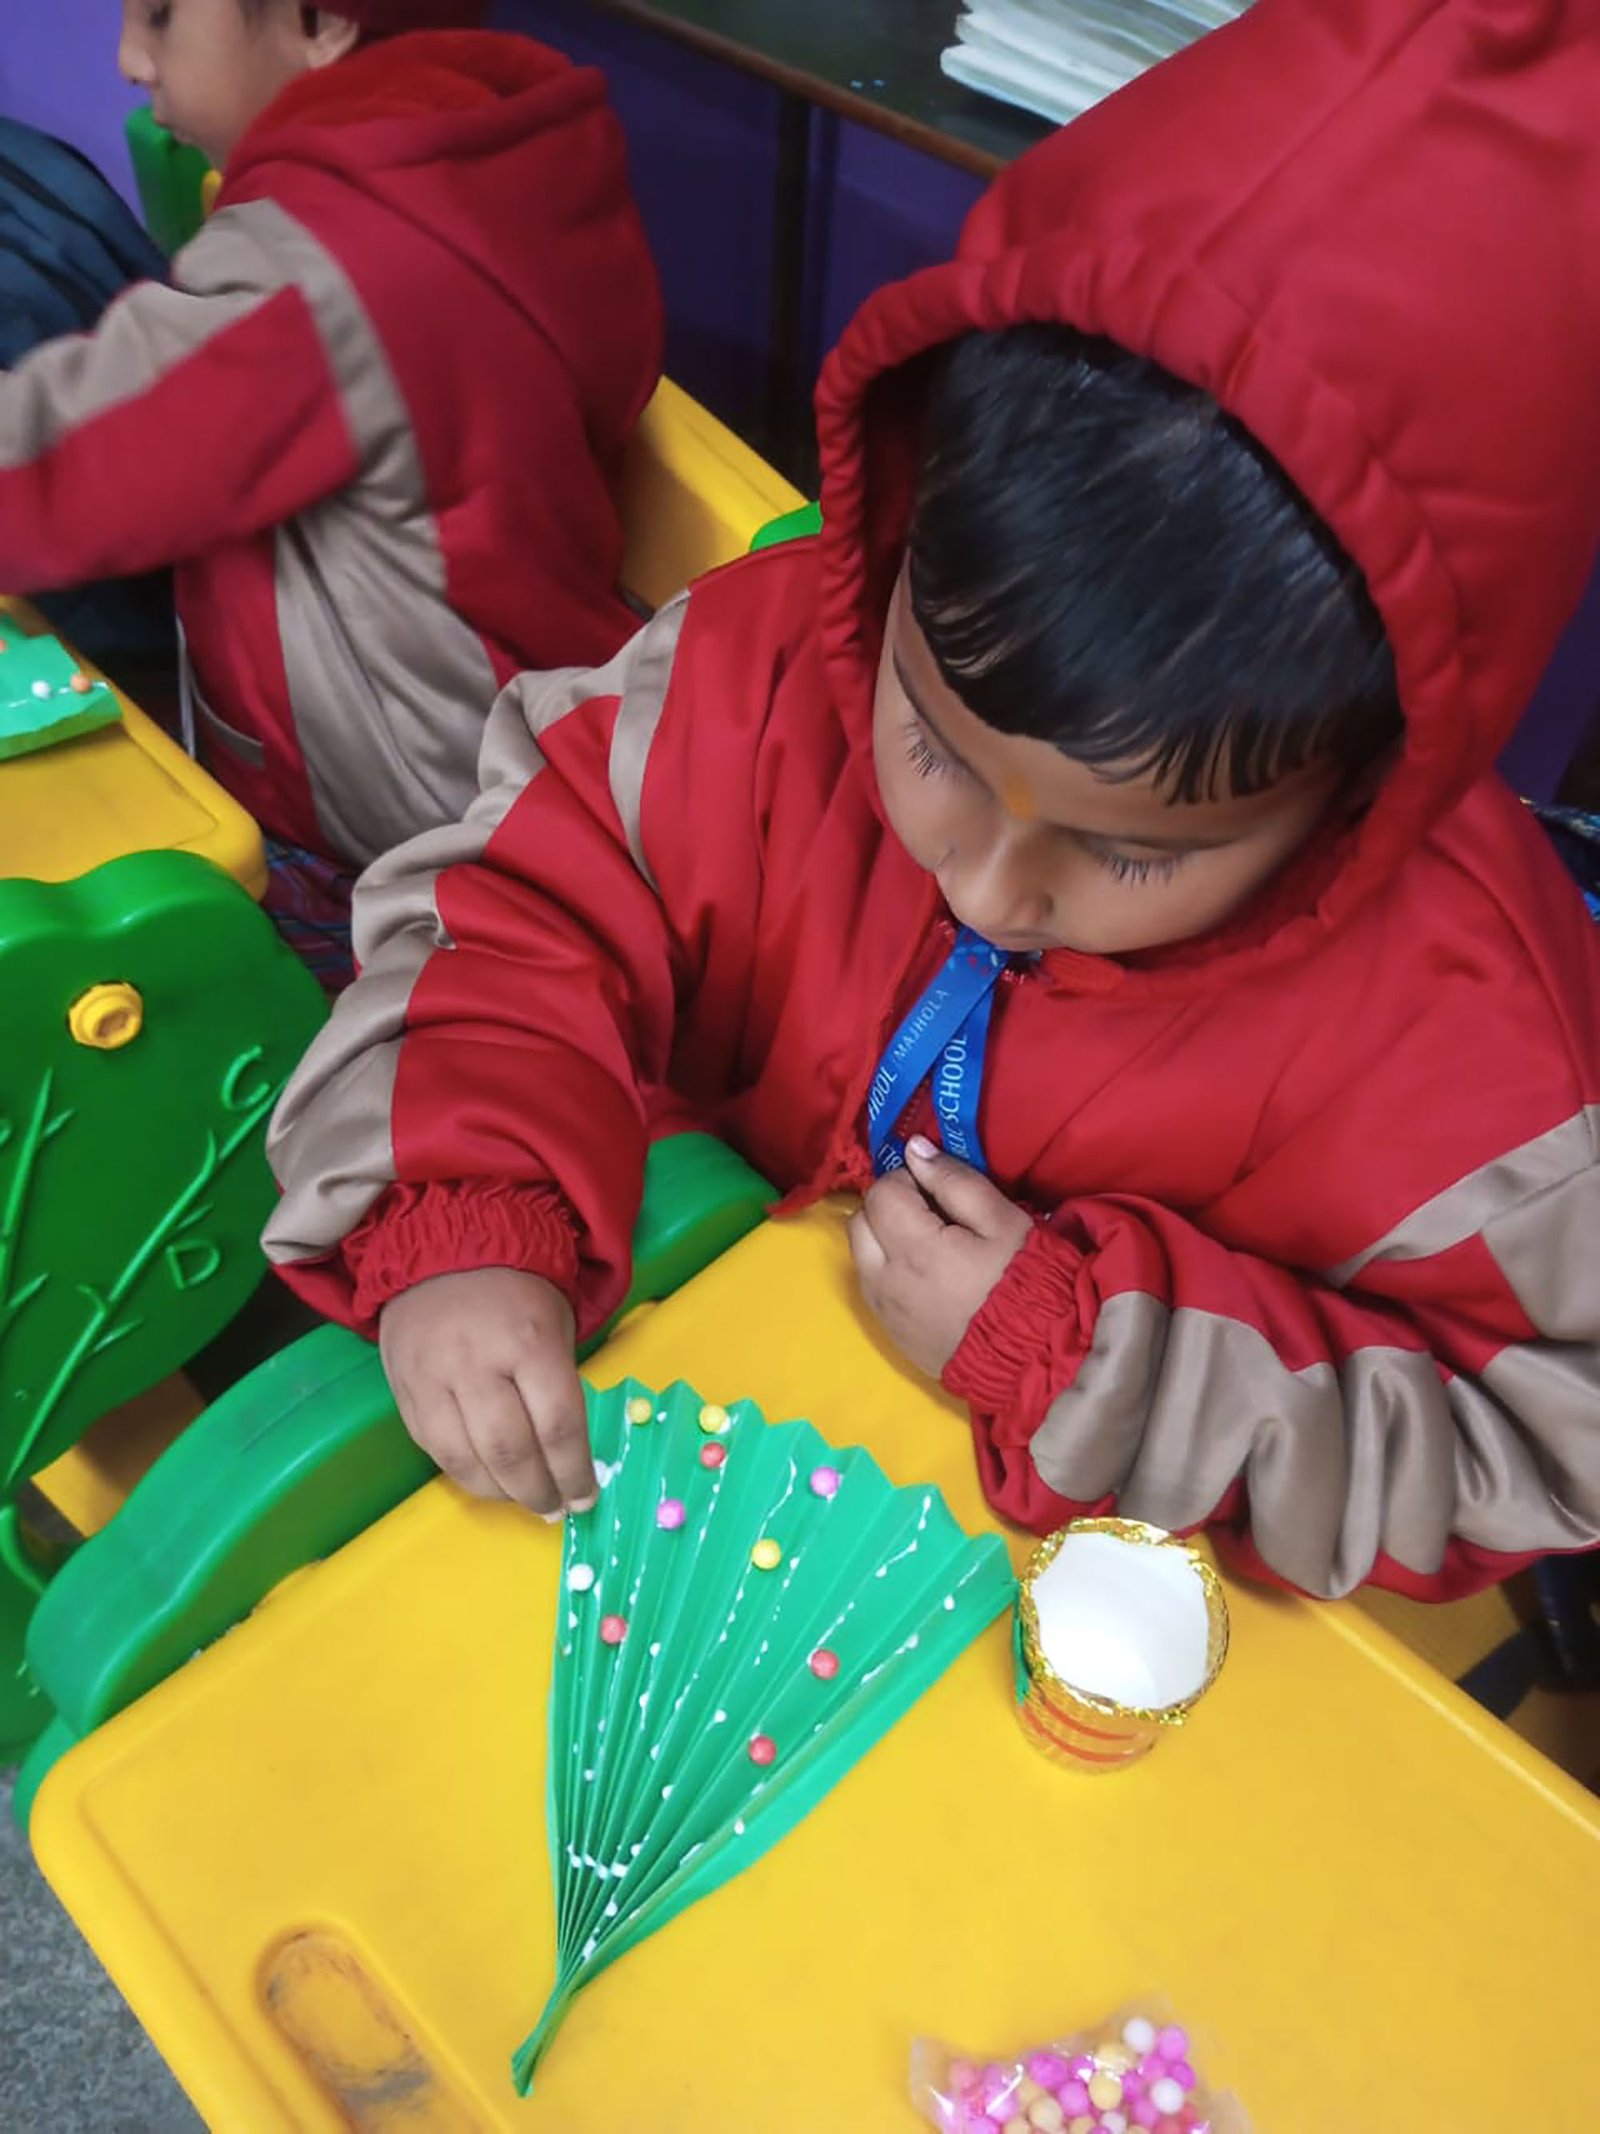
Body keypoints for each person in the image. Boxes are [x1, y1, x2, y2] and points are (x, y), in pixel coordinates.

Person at [262, 0, 1600, 1601]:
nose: (985, 886)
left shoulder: (1483, 1057)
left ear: (1361, 776)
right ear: (904, 532)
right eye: (939, 746)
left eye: (1127, 852)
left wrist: (1096, 1360)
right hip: (683, 1491)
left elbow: (1543, 1434)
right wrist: (465, 1200)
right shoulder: (756, 672)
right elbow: (504, 899)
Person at [0, 0, 662, 984]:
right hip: (527, 731)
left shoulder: (318, 269)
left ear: (320, 21)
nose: (130, 58)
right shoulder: (499, 160)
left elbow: (63, 464)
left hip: (408, 842)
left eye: (164, 16)